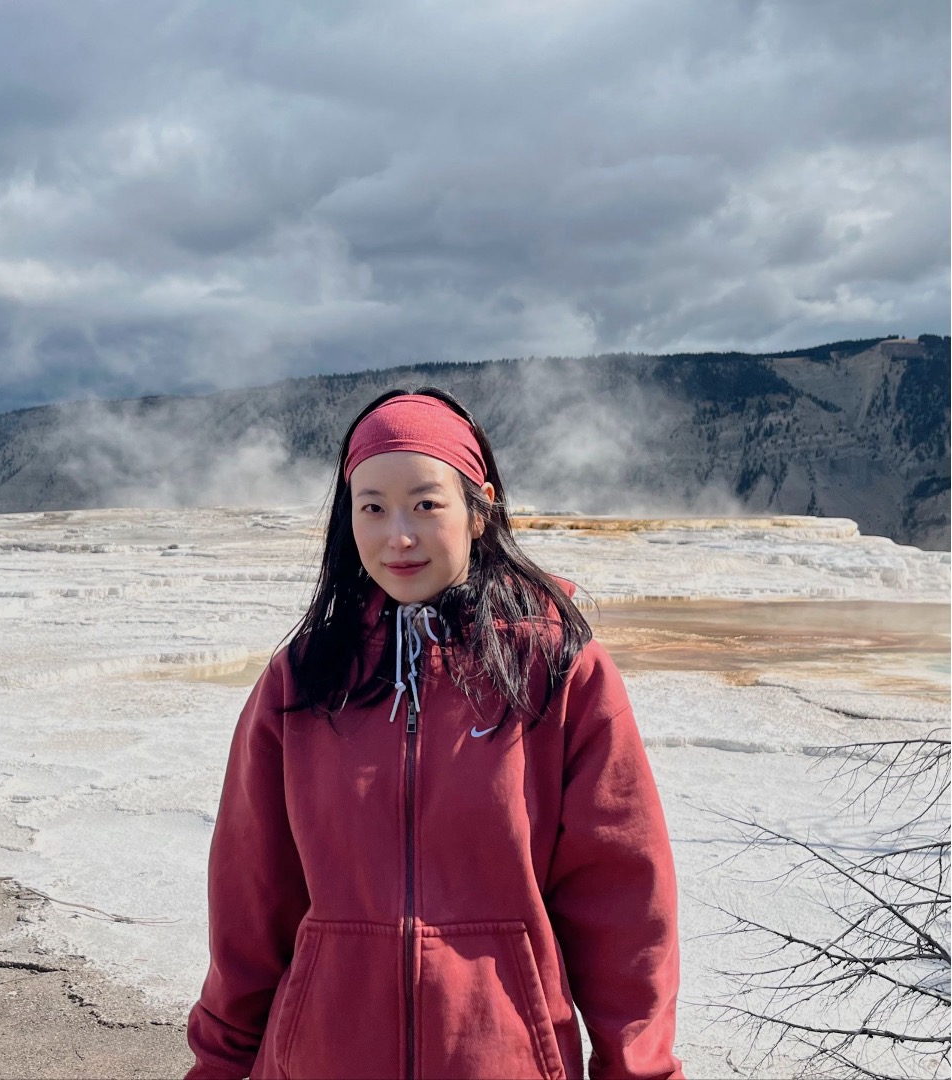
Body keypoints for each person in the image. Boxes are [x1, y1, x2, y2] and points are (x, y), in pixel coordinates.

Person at [185, 389, 684, 1080]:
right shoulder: (299, 683)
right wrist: (218, 1065)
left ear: (480, 509)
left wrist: (639, 1070)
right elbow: (249, 897)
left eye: (425, 504)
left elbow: (626, 901)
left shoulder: (558, 672)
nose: (399, 536)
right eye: (373, 507)